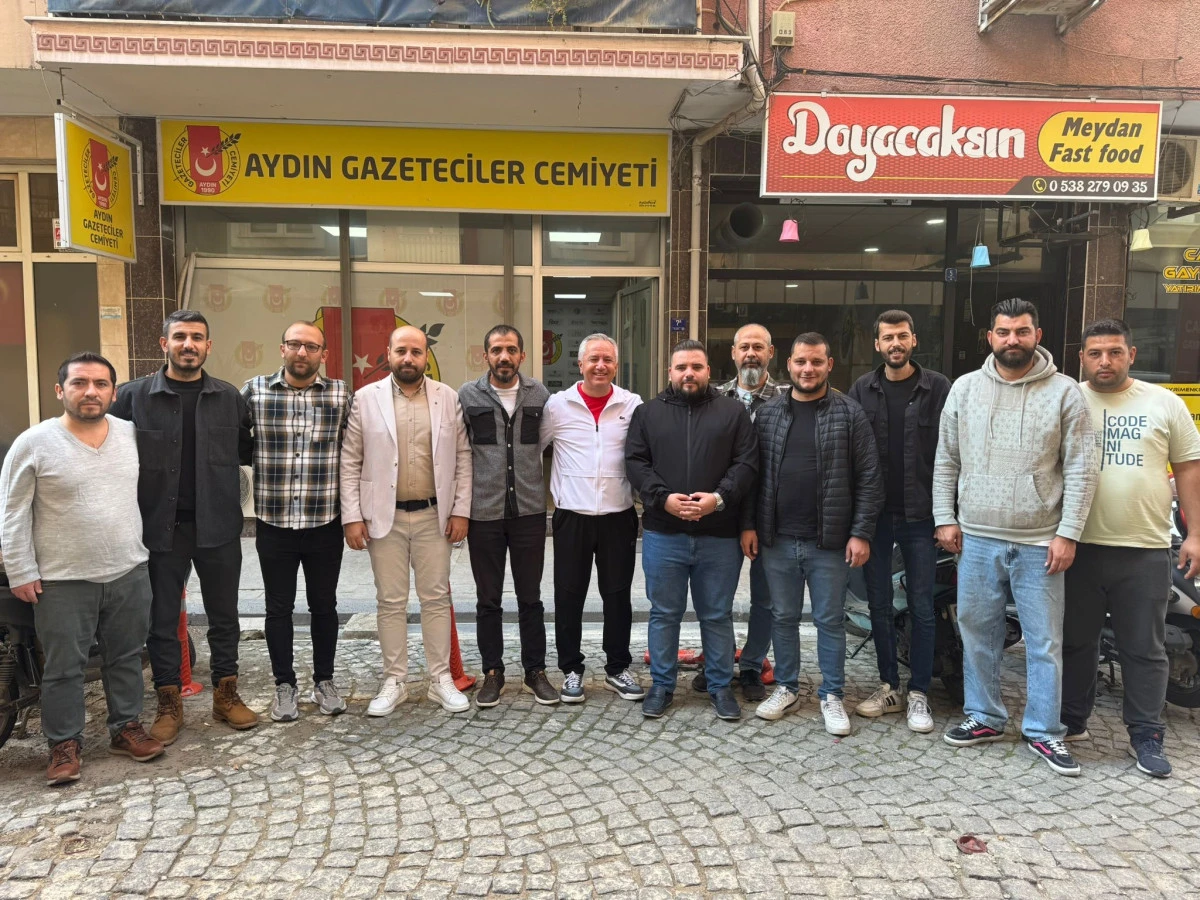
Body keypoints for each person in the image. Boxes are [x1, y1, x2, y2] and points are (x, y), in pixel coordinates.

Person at [934, 298, 1097, 777]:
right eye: (1003, 332)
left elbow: (1082, 468)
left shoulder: (1065, 393)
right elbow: (946, 459)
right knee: (977, 632)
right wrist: (945, 517)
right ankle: (984, 716)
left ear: (1037, 335)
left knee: (1044, 641)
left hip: (1040, 541)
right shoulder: (965, 389)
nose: (1012, 340)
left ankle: (1044, 730)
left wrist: (1068, 533)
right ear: (990, 337)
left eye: (1022, 331)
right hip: (976, 537)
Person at [0, 352, 163, 785]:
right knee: (63, 668)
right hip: (62, 579)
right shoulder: (33, 443)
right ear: (60, 390)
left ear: (114, 392)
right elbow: (12, 512)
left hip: (128, 569)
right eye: (79, 383)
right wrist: (21, 570)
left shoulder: (129, 434)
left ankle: (125, 728)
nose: (91, 391)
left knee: (126, 657)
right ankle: (63, 744)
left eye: (100, 384)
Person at [1061, 318, 1200, 778]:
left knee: (1144, 648)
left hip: (1144, 548)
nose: (1105, 361)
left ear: (1131, 355)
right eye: (1096, 353)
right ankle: (1071, 720)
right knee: (1076, 642)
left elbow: (1188, 468)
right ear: (1082, 358)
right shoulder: (1067, 398)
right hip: (1079, 546)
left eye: (1115, 352)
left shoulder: (1164, 402)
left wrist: (1196, 534)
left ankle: (1146, 734)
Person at [111, 310, 257, 744]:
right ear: (164, 344)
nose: (188, 345)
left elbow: (244, 451)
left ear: (208, 346)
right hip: (160, 530)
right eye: (180, 337)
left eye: (197, 337)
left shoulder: (229, 398)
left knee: (224, 616)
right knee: (161, 621)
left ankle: (226, 694)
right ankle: (169, 701)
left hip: (219, 527)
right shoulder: (132, 398)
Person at [742, 333, 883, 735]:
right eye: (801, 362)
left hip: (831, 542)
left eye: (816, 362)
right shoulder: (769, 413)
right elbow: (752, 476)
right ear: (788, 364)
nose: (808, 369)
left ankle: (832, 694)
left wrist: (861, 533)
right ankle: (787, 687)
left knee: (829, 620)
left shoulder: (849, 413)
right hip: (777, 539)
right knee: (783, 617)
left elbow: (869, 478)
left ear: (829, 365)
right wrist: (749, 525)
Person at [340, 325, 473, 715]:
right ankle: (394, 680)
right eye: (401, 351)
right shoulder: (366, 399)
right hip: (385, 518)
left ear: (426, 356)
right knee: (390, 602)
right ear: (388, 354)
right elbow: (350, 461)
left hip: (434, 516)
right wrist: (352, 516)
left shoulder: (447, 397)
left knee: (436, 599)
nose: (409, 358)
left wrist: (461, 510)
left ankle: (440, 679)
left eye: (416, 351)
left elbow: (463, 458)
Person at [626, 340, 758, 720]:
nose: (689, 373)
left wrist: (718, 498)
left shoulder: (732, 413)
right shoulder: (647, 413)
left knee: (716, 615)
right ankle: (662, 685)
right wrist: (662, 498)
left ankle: (719, 686)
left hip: (719, 535)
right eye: (681, 367)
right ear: (670, 371)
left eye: (696, 367)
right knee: (664, 613)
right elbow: (635, 462)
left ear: (708, 371)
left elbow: (746, 464)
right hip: (663, 533)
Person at [847, 310, 950, 734]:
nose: (895, 343)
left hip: (921, 515)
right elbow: (851, 454)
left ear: (913, 340)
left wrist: (948, 515)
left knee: (923, 605)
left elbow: (952, 454)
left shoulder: (938, 388)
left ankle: (919, 691)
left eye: (902, 336)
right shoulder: (861, 390)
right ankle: (889, 686)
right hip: (875, 515)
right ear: (877, 344)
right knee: (879, 604)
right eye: (888, 337)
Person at [242, 322, 351, 722]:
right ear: (282, 348)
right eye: (295, 344)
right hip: (274, 522)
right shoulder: (253, 392)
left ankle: (325, 680)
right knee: (278, 608)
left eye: (311, 346)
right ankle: (284, 685)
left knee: (324, 605)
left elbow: (354, 450)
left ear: (324, 354)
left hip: (324, 520)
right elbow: (234, 443)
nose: (302, 352)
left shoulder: (341, 395)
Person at [540, 333, 644, 704]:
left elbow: (644, 454)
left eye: (608, 360)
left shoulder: (631, 404)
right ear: (580, 364)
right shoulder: (558, 406)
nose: (601, 366)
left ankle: (617, 668)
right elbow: (533, 450)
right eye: (594, 359)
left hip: (618, 516)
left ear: (616, 365)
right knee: (569, 596)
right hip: (572, 516)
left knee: (617, 596)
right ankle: (571, 670)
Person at [459, 325, 557, 708]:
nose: (504, 356)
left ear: (522, 356)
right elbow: (459, 450)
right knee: (488, 599)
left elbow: (547, 442)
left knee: (531, 597)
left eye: (511, 349)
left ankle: (535, 671)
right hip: (483, 513)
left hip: (529, 512)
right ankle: (492, 672)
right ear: (485, 355)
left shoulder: (540, 394)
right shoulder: (467, 395)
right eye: (497, 349)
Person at [698, 323, 789, 702]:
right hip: (720, 514)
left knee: (765, 599)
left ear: (771, 353)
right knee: (714, 599)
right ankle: (716, 662)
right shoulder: (712, 398)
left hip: (770, 516)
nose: (751, 353)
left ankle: (751, 664)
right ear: (733, 353)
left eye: (758, 347)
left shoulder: (788, 400)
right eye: (744, 347)